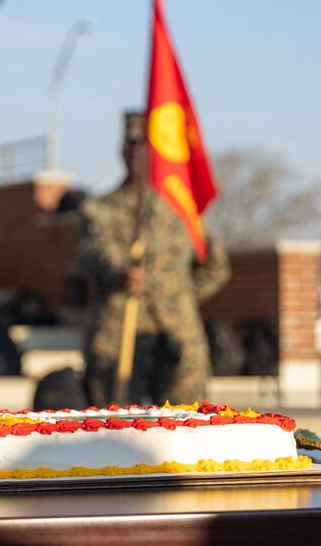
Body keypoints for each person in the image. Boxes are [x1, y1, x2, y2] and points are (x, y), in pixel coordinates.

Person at [77, 111, 230, 407]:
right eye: (130, 143)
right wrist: (118, 274)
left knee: (188, 430)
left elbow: (216, 267)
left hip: (178, 338)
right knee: (115, 432)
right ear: (121, 149)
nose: (136, 151)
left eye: (145, 143)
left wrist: (177, 295)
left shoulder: (183, 210)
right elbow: (96, 253)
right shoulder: (99, 209)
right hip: (119, 337)